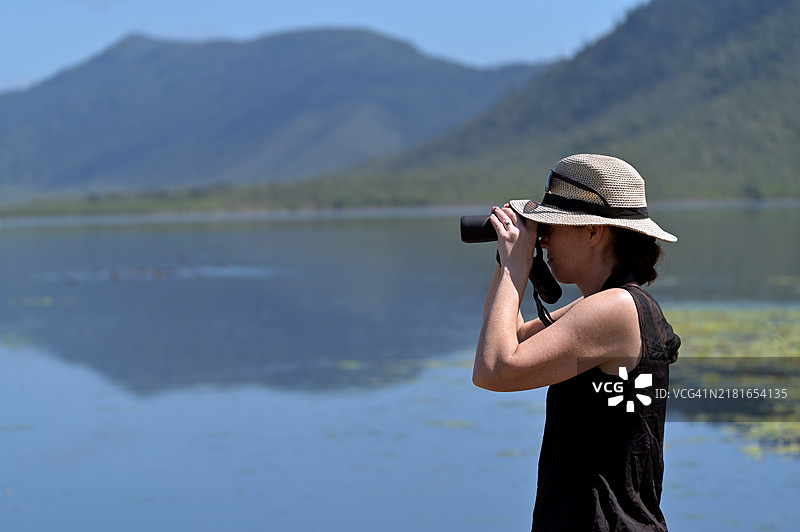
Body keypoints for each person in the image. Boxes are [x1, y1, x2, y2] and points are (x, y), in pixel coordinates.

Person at [472, 154, 680, 531]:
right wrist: (508, 261)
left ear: (594, 232)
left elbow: (494, 371)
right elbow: (509, 339)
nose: (544, 237)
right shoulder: (605, 307)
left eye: (552, 225)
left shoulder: (615, 309)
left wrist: (518, 266)